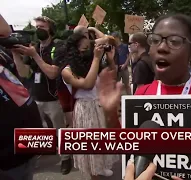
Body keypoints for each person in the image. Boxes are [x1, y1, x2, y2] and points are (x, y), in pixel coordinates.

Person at [11, 16, 72, 174]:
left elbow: (53, 73)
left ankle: (66, 158)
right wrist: (15, 54)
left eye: (42, 27)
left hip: (53, 99)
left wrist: (35, 56)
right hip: (35, 97)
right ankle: (45, 150)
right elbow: (23, 72)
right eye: (36, 26)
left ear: (50, 29)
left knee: (59, 130)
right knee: (40, 130)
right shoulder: (34, 47)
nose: (38, 29)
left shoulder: (57, 46)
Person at [60, 33, 119, 180]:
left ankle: (101, 167)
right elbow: (87, 84)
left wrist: (110, 60)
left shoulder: (92, 63)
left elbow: (112, 75)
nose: (89, 50)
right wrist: (97, 58)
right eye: (85, 47)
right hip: (85, 109)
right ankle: (94, 174)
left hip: (99, 106)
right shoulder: (67, 70)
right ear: (75, 50)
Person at [0, 15, 43, 180]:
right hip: (8, 161)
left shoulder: (3, 55)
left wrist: (15, 53)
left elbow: (23, 75)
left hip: (24, 149)